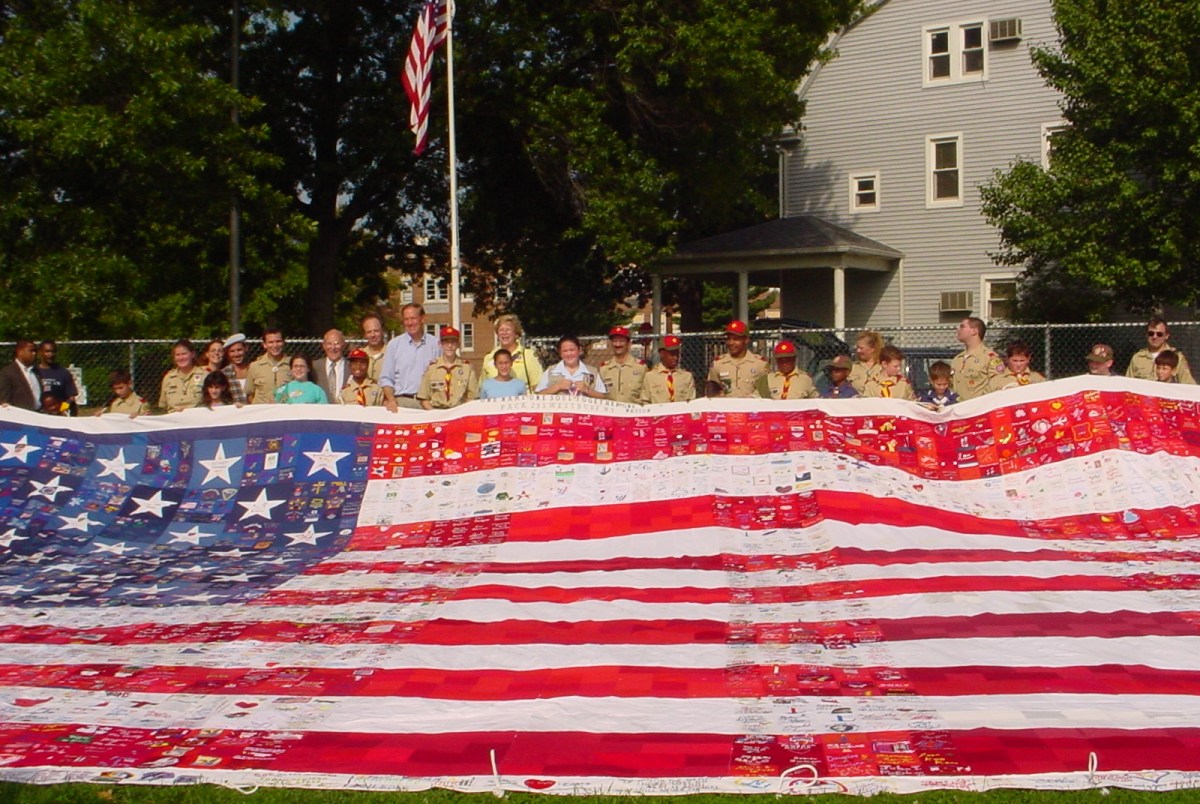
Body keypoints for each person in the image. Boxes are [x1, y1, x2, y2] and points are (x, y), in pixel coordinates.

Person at [380, 303, 441, 412]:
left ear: (422, 319)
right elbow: (386, 378)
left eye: (413, 318)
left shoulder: (436, 344)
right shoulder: (394, 345)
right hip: (402, 403)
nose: (410, 323)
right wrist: (391, 400)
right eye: (406, 319)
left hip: (428, 404)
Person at [418, 326, 480, 409]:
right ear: (440, 344)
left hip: (459, 412)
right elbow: (424, 398)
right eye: (446, 342)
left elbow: (472, 397)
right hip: (436, 412)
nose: (450, 346)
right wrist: (433, 413)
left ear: (458, 344)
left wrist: (461, 412)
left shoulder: (467, 369)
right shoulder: (432, 368)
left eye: (453, 342)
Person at [707, 319, 767, 398]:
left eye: (736, 339)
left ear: (746, 340)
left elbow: (764, 392)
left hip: (751, 408)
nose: (731, 343)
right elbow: (712, 391)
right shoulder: (718, 364)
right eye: (728, 339)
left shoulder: (759, 364)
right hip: (725, 408)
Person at [482, 313, 543, 389]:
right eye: (501, 330)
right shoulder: (489, 358)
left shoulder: (528, 355)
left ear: (516, 334)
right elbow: (482, 387)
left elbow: (538, 385)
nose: (504, 333)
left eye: (508, 330)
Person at [1127, 317, 1195, 383]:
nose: (1154, 337)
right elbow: (1128, 384)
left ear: (1166, 336)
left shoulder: (1176, 356)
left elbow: (1188, 385)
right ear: (1146, 335)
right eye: (1151, 333)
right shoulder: (1137, 358)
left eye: (1159, 334)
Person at [951, 317, 1004, 401]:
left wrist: (980, 402)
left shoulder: (990, 358)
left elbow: (997, 384)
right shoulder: (957, 359)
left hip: (979, 408)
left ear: (974, 331)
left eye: (962, 326)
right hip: (956, 408)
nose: (958, 329)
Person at [536, 335, 608, 398]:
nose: (569, 354)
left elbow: (603, 396)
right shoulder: (551, 372)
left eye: (572, 350)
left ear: (579, 350)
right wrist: (557, 387)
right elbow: (538, 396)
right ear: (560, 353)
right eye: (565, 351)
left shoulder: (592, 372)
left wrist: (587, 390)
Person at [639, 335, 696, 404]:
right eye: (671, 354)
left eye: (677, 353)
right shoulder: (650, 377)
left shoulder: (687, 377)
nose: (675, 358)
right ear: (661, 353)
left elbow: (691, 402)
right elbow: (645, 402)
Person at [598, 326, 647, 404]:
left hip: (634, 413)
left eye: (622, 341)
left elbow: (646, 396)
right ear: (610, 343)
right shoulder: (604, 369)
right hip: (611, 413)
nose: (618, 344)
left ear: (629, 344)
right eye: (614, 341)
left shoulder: (641, 367)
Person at [159, 339, 207, 412]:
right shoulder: (168, 378)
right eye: (178, 355)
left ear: (192, 354)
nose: (181, 358)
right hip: (174, 420)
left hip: (197, 419)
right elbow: (163, 406)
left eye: (184, 354)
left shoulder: (205, 375)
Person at [35, 340, 78, 415]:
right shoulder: (34, 372)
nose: (51, 354)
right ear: (40, 352)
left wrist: (62, 409)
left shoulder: (63, 372)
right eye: (47, 351)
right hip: (38, 415)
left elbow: (71, 397)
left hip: (58, 415)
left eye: (53, 351)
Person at [246, 329, 289, 404]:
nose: (275, 345)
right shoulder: (255, 366)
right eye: (271, 342)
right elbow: (250, 394)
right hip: (262, 413)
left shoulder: (293, 365)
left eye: (278, 341)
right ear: (264, 344)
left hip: (285, 412)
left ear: (283, 342)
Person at [0, 340, 40, 410]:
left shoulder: (36, 371)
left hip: (39, 414)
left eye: (35, 351)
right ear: (20, 352)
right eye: (31, 351)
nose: (34, 353)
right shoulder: (7, 373)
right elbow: (4, 401)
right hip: (20, 417)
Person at [313, 328, 349, 403]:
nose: (333, 348)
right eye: (329, 344)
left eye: (337, 343)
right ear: (324, 346)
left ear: (344, 345)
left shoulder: (352, 367)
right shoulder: (314, 367)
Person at [848, 330, 884, 394]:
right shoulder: (853, 367)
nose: (858, 350)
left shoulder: (883, 366)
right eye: (857, 347)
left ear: (872, 348)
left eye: (861, 348)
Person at [220, 333, 251, 405]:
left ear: (246, 349)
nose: (236, 354)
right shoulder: (224, 374)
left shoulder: (254, 368)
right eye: (232, 351)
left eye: (239, 350)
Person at [360, 313, 390, 383]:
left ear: (382, 331)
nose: (373, 335)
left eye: (376, 331)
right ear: (364, 334)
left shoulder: (392, 353)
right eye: (369, 332)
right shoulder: (359, 355)